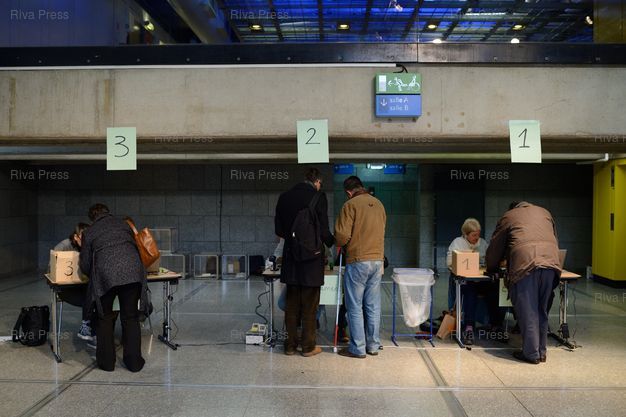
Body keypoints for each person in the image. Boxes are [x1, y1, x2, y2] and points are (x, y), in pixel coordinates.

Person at [486, 201, 562, 364]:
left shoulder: (509, 216)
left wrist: (492, 267)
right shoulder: (545, 212)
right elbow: (554, 240)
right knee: (541, 309)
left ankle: (531, 354)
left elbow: (495, 248)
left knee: (528, 310)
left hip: (525, 265)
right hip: (551, 264)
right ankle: (541, 352)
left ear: (512, 209)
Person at [274, 168, 335, 357]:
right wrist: (332, 242)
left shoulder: (284, 197)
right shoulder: (318, 197)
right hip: (311, 259)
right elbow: (323, 230)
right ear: (317, 182)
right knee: (310, 304)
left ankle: (290, 346)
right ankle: (308, 347)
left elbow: (279, 230)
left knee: (291, 304)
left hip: (291, 256)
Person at [79, 203, 147, 372]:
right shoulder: (124, 225)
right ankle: (134, 363)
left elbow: (85, 265)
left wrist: (92, 272)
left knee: (105, 318)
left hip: (105, 276)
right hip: (132, 272)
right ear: (108, 212)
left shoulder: (90, 232)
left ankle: (107, 363)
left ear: (92, 217)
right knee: (130, 317)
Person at [335, 176, 386, 358]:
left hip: (358, 259)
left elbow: (341, 236)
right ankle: (373, 346)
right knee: (372, 305)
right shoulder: (379, 204)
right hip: (377, 260)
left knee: (355, 305)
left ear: (349, 192)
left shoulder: (350, 205)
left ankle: (357, 348)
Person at [447, 218, 504, 345]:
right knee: (470, 292)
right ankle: (469, 327)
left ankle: (496, 325)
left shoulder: (482, 243)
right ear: (465, 234)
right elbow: (449, 263)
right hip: (465, 280)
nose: (476, 238)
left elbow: (489, 260)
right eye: (474, 235)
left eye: (478, 234)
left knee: (495, 290)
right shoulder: (457, 243)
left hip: (480, 279)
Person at [53, 223, 95, 343]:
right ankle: (87, 327)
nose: (87, 242)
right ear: (76, 237)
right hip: (67, 289)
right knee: (91, 300)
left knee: (98, 298)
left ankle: (95, 333)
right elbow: (52, 269)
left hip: (85, 287)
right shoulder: (63, 246)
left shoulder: (90, 247)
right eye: (83, 238)